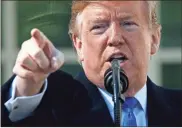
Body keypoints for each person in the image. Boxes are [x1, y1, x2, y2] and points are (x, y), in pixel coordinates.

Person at [1, 0, 182, 127]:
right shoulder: (54, 108)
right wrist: (27, 87)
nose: (115, 38)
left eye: (128, 23)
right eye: (99, 27)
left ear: (154, 39)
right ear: (79, 45)